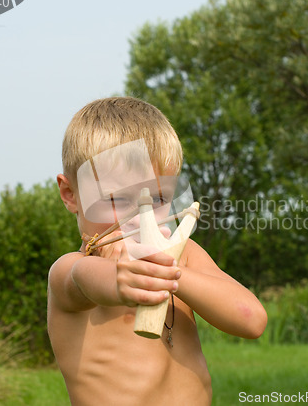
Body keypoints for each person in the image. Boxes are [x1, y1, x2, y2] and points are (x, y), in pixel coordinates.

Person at [48, 97, 267, 406]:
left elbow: (251, 320)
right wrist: (120, 278)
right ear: (71, 194)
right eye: (118, 200)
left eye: (158, 199)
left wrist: (172, 272)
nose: (141, 217)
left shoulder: (184, 256)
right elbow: (84, 279)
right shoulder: (72, 268)